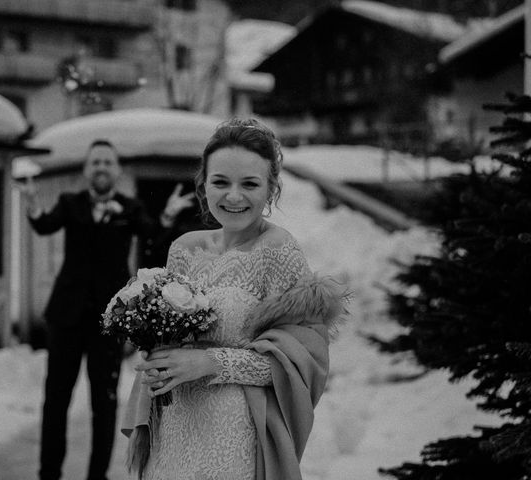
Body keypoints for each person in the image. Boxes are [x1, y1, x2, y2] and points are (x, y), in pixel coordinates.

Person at [123, 119, 349, 479]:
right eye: (221, 182)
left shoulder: (279, 251)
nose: (233, 196)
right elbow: (168, 335)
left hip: (235, 434)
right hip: (174, 428)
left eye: (249, 184)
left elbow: (298, 367)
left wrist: (210, 362)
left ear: (271, 188)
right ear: (204, 183)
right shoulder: (183, 249)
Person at [20, 139, 195, 480]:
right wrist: (31, 206)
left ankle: (97, 475)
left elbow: (153, 237)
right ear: (87, 170)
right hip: (66, 316)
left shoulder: (130, 208)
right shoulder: (70, 203)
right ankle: (48, 473)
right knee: (55, 399)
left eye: (107, 163)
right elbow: (45, 225)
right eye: (95, 162)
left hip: (109, 322)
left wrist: (168, 215)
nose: (101, 168)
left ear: (116, 171)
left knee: (105, 402)